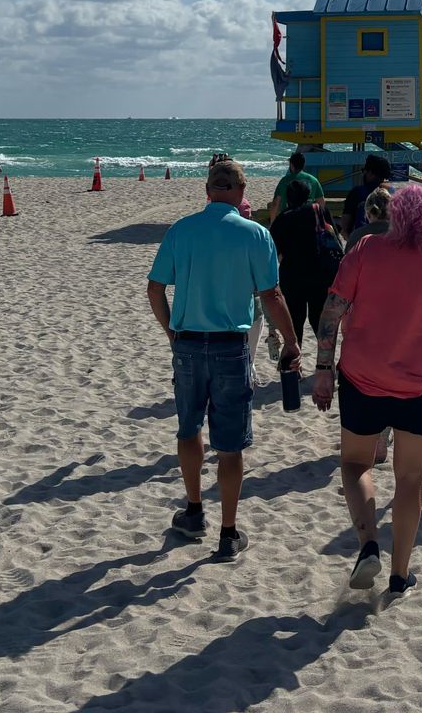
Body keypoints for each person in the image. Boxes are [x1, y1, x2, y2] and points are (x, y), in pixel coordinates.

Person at [312, 182, 422, 596]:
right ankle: (400, 574)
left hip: (362, 376)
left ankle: (368, 544)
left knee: (355, 464)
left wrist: (323, 368)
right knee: (411, 478)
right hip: (420, 384)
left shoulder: (366, 251)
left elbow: (332, 311)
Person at [145, 157, 300, 562]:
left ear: (208, 190)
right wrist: (291, 341)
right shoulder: (255, 234)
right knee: (230, 446)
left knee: (188, 428)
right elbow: (272, 295)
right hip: (231, 345)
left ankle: (195, 511)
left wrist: (170, 332)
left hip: (189, 344)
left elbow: (155, 288)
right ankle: (228, 532)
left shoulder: (182, 230)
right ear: (242, 192)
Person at [270, 180, 337, 337]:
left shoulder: (283, 218)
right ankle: (325, 359)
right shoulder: (319, 211)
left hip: (293, 276)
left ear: (288, 198)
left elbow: (274, 252)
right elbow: (334, 236)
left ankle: (295, 356)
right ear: (308, 196)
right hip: (320, 274)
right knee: (318, 321)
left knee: (295, 322)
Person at [341, 153, 391, 240]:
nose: (362, 174)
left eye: (364, 171)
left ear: (371, 173)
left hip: (361, 243)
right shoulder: (393, 193)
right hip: (389, 242)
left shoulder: (356, 193)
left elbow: (345, 227)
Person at [269, 150, 324, 218]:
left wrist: (272, 222)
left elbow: (275, 203)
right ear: (303, 164)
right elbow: (321, 202)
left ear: (291, 165)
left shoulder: (284, 181)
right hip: (308, 217)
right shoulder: (313, 180)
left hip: (288, 217)